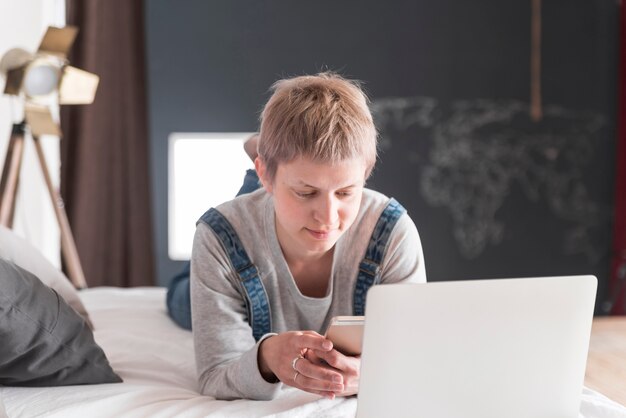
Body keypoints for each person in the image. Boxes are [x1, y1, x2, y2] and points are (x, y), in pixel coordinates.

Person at [185, 72, 426, 400]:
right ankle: (257, 173)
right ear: (266, 176)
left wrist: (368, 377)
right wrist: (268, 355)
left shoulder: (392, 232)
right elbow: (215, 372)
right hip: (249, 229)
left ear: (366, 176)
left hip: (271, 197)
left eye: (345, 192)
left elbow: (415, 358)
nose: (327, 218)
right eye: (306, 192)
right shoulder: (216, 238)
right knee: (180, 300)